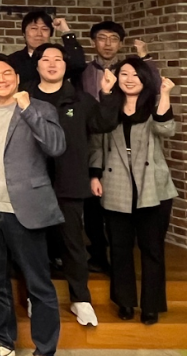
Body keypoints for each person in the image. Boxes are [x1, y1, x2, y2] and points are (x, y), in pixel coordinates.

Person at [0, 54, 66, 356]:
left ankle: (45, 349)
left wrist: (27, 109)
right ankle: (2, 341)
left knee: (39, 284)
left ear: (17, 78)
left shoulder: (40, 108)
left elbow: (56, 146)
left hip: (26, 210)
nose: (1, 79)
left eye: (7, 73)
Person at [28, 44, 116, 327]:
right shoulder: (25, 96)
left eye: (58, 59)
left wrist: (107, 93)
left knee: (73, 243)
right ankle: (35, 296)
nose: (52, 64)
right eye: (46, 59)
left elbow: (103, 124)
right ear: (37, 65)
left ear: (66, 66)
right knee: (33, 243)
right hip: (31, 183)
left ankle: (81, 299)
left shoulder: (80, 99)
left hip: (69, 181)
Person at [89, 58, 177, 325]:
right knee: (120, 248)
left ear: (144, 79)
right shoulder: (109, 105)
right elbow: (96, 141)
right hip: (116, 183)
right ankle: (125, 302)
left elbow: (166, 129)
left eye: (135, 74)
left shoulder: (153, 104)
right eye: (124, 74)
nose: (129, 79)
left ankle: (151, 305)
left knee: (152, 249)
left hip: (152, 186)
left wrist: (165, 94)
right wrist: (95, 174)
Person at [81, 20, 158, 273]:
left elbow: (154, 86)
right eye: (102, 38)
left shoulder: (129, 70)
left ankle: (122, 259)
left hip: (120, 139)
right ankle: (98, 254)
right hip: (93, 137)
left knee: (125, 210)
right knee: (93, 204)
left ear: (121, 43)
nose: (108, 44)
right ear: (93, 42)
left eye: (113, 39)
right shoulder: (83, 71)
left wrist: (145, 57)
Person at [6, 11, 84, 87]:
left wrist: (66, 31)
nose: (39, 34)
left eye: (45, 29)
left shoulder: (59, 59)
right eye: (34, 28)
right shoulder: (12, 60)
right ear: (24, 33)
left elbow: (78, 64)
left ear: (50, 34)